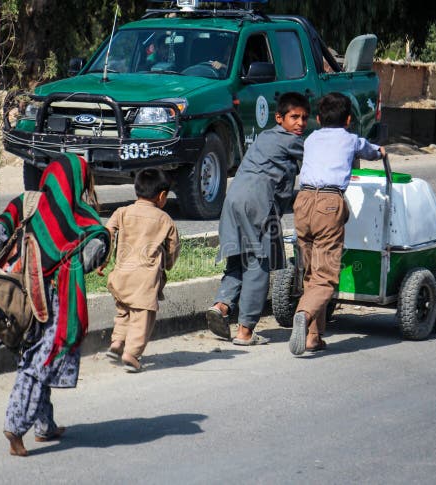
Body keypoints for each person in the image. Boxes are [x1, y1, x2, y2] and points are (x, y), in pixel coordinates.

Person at [0, 153, 109, 457]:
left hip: (22, 295)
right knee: (41, 361)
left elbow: (1, 228)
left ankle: (45, 425)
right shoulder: (82, 216)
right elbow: (92, 254)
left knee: (33, 354)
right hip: (56, 301)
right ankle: (15, 426)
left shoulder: (28, 200)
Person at [206, 92, 310, 345]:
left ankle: (221, 306)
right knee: (258, 263)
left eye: (304, 118)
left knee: (237, 259)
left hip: (233, 199)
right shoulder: (292, 141)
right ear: (279, 118)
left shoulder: (265, 136)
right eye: (294, 117)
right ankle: (245, 331)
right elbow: (317, 155)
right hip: (259, 203)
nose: (300, 123)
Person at [289, 92, 385, 355]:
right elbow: (370, 150)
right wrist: (381, 151)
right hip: (329, 204)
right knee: (326, 276)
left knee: (311, 272)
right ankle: (305, 314)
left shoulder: (311, 138)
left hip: (303, 200)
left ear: (318, 119)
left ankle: (313, 337)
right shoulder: (350, 138)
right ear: (349, 119)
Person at [100, 169, 181, 372]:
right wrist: (168, 265)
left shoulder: (122, 212)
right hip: (145, 280)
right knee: (142, 318)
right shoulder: (165, 220)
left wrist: (103, 261)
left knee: (124, 311)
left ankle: (117, 343)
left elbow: (107, 234)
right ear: (162, 196)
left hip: (121, 276)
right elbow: (173, 248)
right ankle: (132, 354)